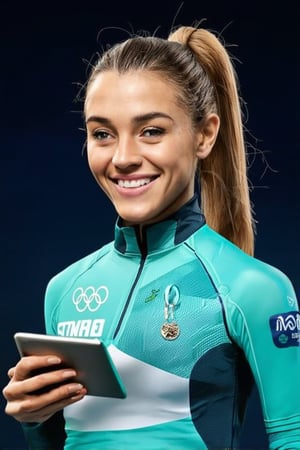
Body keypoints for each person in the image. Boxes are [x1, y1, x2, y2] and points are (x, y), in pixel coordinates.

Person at [3, 23, 300, 450]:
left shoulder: (253, 289)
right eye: (102, 134)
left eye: (151, 131)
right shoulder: (64, 291)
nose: (123, 158)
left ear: (205, 134)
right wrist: (35, 420)